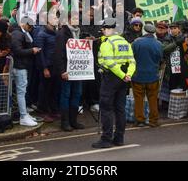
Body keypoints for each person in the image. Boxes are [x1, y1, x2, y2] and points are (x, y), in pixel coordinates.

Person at [92, 18, 136, 148]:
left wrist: (122, 75)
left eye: (104, 29)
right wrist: (128, 75)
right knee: (120, 109)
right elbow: (132, 61)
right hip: (123, 78)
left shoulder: (107, 43)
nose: (103, 32)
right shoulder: (125, 42)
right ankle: (119, 138)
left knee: (106, 108)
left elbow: (110, 64)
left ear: (107, 29)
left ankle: (106, 139)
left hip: (111, 77)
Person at [54, 12, 85, 132]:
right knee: (66, 95)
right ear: (68, 19)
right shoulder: (62, 33)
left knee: (77, 94)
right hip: (67, 70)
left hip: (78, 70)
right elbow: (58, 54)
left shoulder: (79, 32)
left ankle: (73, 120)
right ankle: (65, 122)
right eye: (74, 18)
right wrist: (62, 70)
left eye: (78, 18)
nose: (76, 20)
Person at [11, 17, 41, 127]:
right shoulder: (18, 34)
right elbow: (17, 51)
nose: (30, 29)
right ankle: (23, 116)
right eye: (30, 26)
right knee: (21, 92)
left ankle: (24, 114)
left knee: (20, 92)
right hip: (19, 67)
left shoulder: (18, 33)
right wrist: (32, 50)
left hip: (20, 66)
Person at [132, 24, 162, 128]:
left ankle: (140, 120)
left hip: (138, 75)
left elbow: (132, 56)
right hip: (153, 75)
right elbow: (160, 59)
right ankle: (154, 120)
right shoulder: (158, 44)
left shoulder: (136, 42)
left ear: (144, 31)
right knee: (153, 99)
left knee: (138, 99)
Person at [35, 14, 59, 122]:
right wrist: (45, 68)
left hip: (55, 65)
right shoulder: (42, 34)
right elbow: (40, 53)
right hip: (47, 65)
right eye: (54, 18)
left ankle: (53, 111)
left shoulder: (56, 33)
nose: (57, 20)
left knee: (53, 89)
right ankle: (42, 111)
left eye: (57, 18)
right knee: (44, 89)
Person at [163, 22, 186, 91]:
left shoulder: (185, 38)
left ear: (179, 29)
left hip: (182, 65)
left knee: (182, 87)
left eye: (175, 28)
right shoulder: (167, 38)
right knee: (172, 87)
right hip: (172, 67)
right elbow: (164, 49)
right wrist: (175, 43)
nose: (173, 30)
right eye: (171, 28)